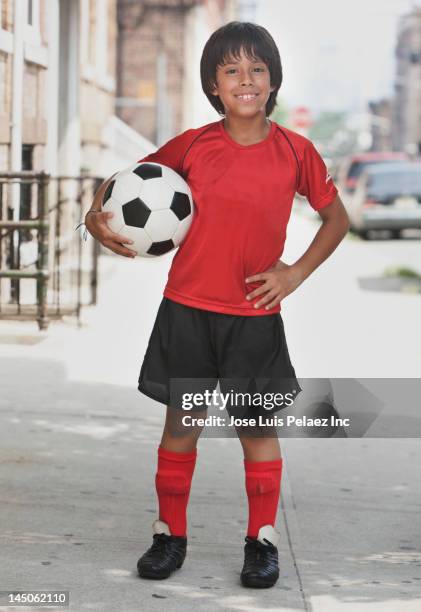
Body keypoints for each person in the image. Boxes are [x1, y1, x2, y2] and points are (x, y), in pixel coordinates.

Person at [85, 21, 350, 589]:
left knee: (256, 430)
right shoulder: (194, 146)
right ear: (214, 84)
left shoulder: (295, 151)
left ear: (273, 80)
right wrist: (93, 217)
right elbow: (124, 183)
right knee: (183, 424)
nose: (246, 80)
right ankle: (169, 534)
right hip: (188, 311)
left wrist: (294, 272)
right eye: (232, 71)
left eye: (257, 69)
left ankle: (261, 541)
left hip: (254, 319)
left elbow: (337, 219)